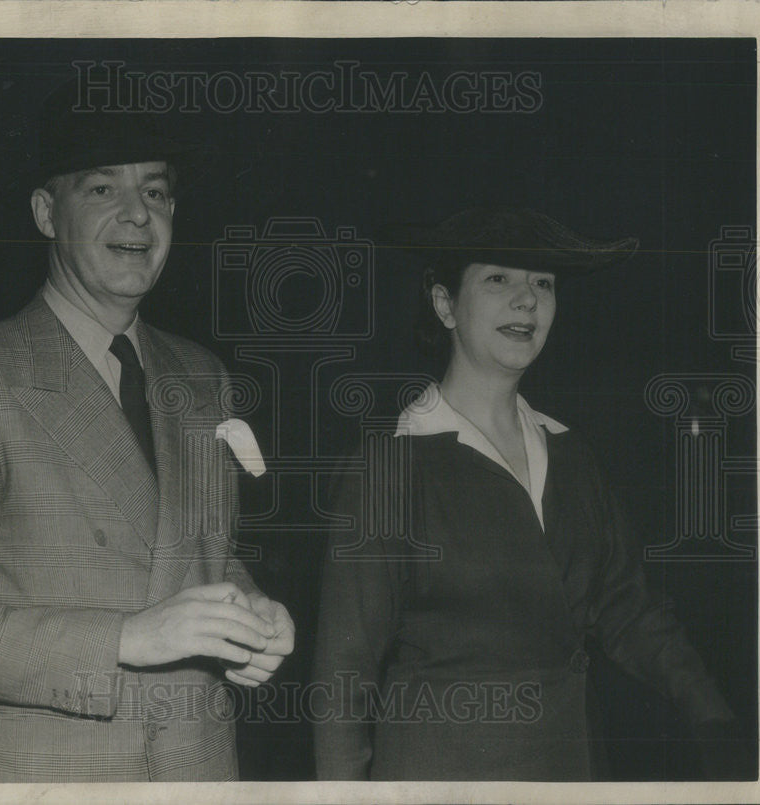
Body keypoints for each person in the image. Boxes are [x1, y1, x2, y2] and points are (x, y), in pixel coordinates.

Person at [0, 82, 294, 783]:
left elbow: (195, 558)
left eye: (157, 192)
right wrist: (128, 638)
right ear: (45, 212)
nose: (138, 214)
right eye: (102, 189)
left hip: (200, 768)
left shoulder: (201, 375)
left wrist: (250, 614)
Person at [312, 207, 738, 780]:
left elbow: (628, 610)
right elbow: (344, 674)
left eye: (543, 283)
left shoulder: (569, 452)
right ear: (445, 305)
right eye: (498, 279)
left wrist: (712, 717)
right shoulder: (389, 462)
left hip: (573, 770)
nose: (528, 301)